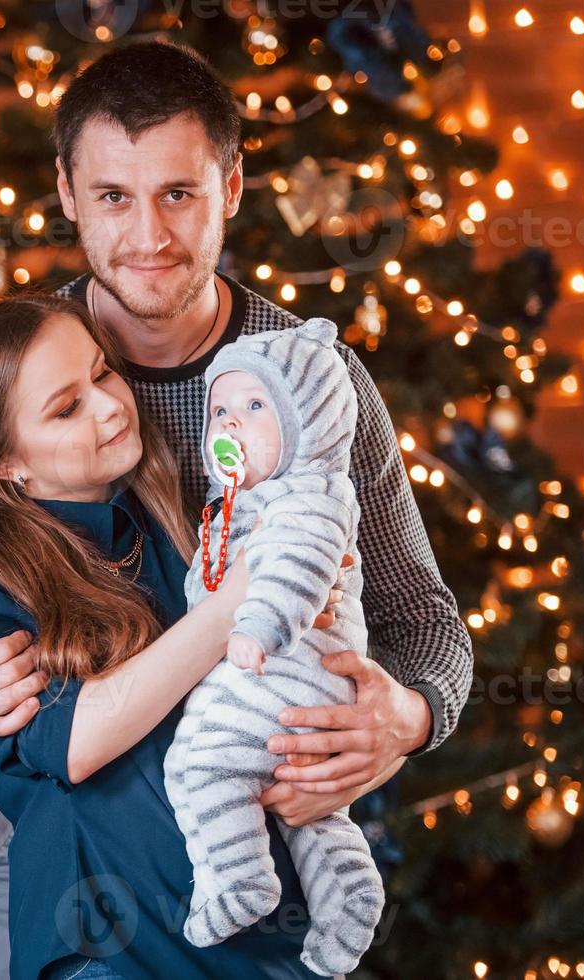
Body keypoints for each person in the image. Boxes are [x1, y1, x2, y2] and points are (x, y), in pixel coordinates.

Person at [0, 39, 473, 978]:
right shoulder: (19, 372)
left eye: (179, 193)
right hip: (76, 866)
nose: (149, 237)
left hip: (261, 855)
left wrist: (403, 721)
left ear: (234, 185)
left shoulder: (313, 375)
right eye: (114, 197)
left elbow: (423, 618)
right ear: (67, 193)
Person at [0, 293, 334, 979]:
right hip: (105, 949)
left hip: (249, 942)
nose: (110, 406)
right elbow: (73, 741)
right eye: (66, 408)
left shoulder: (166, 508)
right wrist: (233, 608)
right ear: (2, 464)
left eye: (103, 373)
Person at [163, 319, 384, 978]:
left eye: (257, 408)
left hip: (285, 659)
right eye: (223, 409)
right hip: (297, 677)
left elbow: (301, 563)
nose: (232, 423)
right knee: (310, 810)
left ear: (309, 423)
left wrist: (258, 626)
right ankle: (349, 896)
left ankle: (238, 881)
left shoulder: (307, 495)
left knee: (201, 763)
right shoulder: (243, 501)